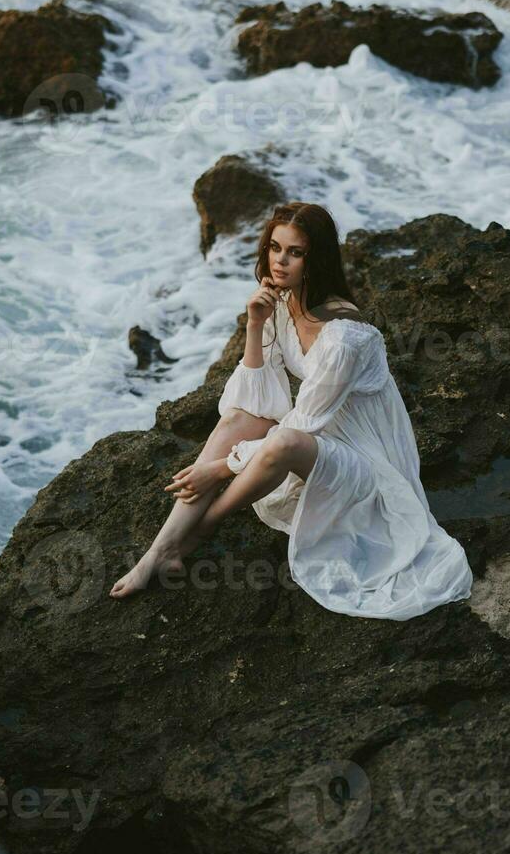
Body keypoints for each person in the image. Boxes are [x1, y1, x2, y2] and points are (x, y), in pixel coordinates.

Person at [109, 201, 473, 619]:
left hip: (366, 466)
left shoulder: (345, 339)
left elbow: (303, 423)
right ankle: (159, 551)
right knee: (236, 419)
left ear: (315, 258)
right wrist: (256, 323)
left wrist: (221, 468)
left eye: (295, 252)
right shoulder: (282, 304)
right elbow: (256, 392)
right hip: (322, 440)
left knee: (280, 439)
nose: (280, 261)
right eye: (274, 248)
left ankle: (201, 528)